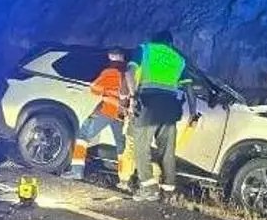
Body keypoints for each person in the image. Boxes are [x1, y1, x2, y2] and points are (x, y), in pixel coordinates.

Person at [126, 30, 198, 201]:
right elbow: (189, 90)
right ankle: (168, 190)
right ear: (170, 43)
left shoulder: (146, 49)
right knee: (167, 150)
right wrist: (193, 113)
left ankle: (148, 187)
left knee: (141, 146)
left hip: (148, 103)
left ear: (155, 40)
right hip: (170, 107)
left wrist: (133, 96)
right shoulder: (179, 59)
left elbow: (129, 72)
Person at [63, 48, 128, 180]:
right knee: (122, 146)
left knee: (83, 135)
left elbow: (95, 89)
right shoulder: (129, 72)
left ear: (112, 57)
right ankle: (124, 178)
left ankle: (77, 170)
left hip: (107, 109)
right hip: (122, 113)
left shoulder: (109, 71)